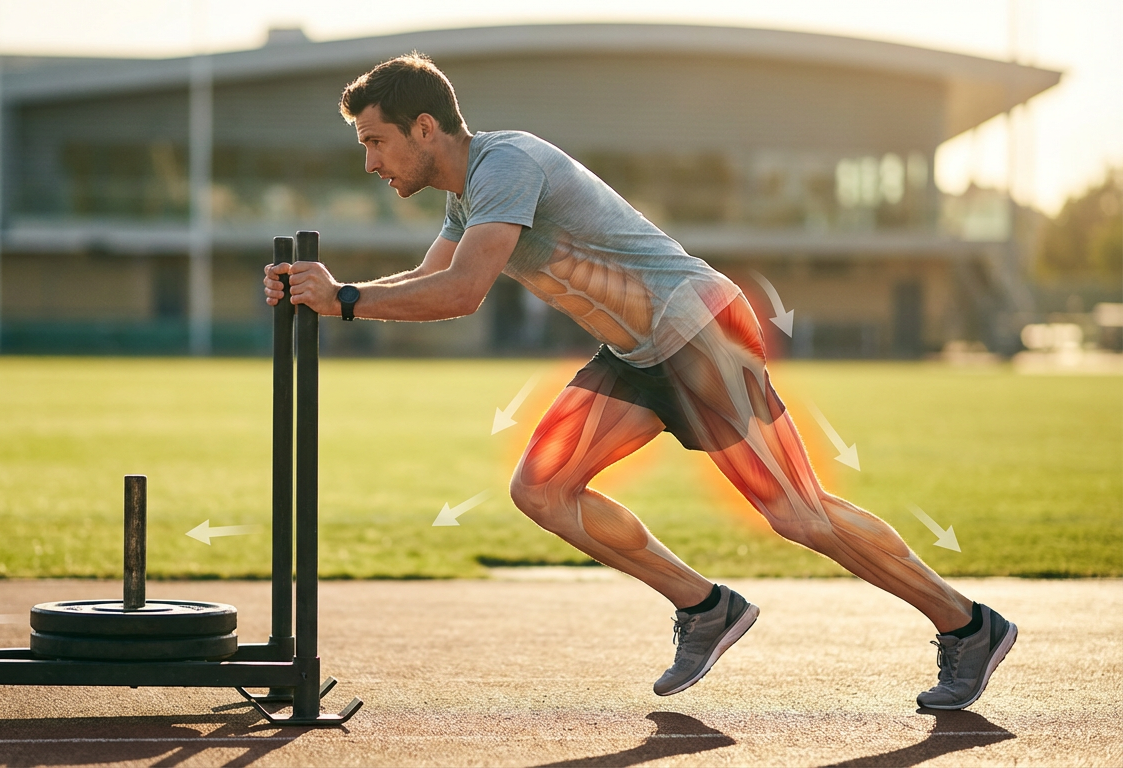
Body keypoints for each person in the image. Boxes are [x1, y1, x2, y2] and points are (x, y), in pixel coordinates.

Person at [262, 53, 1015, 710]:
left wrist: (347, 300)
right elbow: (429, 278)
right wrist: (326, 292)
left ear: (426, 128)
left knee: (798, 513)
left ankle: (967, 625)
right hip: (637, 354)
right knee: (543, 491)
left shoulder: (507, 163)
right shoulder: (467, 197)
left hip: (699, 329)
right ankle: (706, 607)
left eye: (375, 141)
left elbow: (461, 293)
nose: (370, 162)